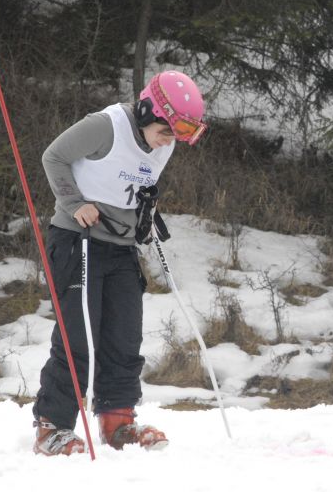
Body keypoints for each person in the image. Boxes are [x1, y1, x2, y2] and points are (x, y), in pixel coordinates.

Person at [32, 70, 207, 455]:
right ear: (147, 112)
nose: (169, 143)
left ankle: (118, 421)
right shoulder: (105, 126)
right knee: (79, 339)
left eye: (175, 136)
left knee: (124, 337)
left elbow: (135, 186)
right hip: (77, 240)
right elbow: (54, 157)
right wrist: (75, 203)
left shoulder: (163, 141)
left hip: (121, 247)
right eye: (165, 132)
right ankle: (52, 427)